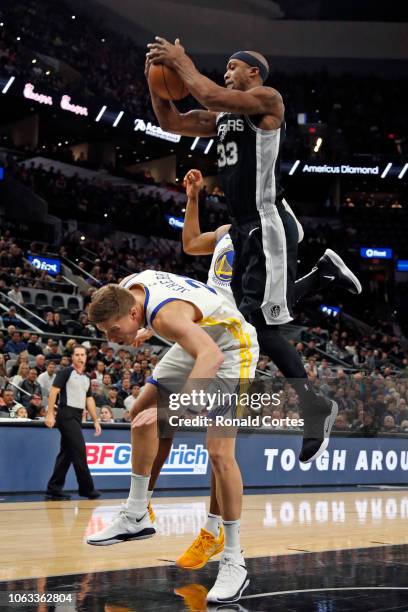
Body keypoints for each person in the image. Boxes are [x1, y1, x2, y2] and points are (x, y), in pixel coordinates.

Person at [145, 40, 362, 463]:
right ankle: (321, 275)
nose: (226, 72)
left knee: (261, 328)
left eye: (232, 67)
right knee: (249, 323)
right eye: (223, 67)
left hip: (268, 223)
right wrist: (155, 77)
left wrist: (182, 63)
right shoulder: (223, 117)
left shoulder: (267, 100)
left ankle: (315, 406)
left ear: (254, 74)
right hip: (245, 230)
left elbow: (208, 93)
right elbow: (172, 120)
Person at [86, 271, 259, 605]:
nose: (112, 339)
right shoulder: (124, 289)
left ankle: (234, 558)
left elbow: (211, 356)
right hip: (198, 336)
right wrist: (142, 331)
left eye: (115, 331)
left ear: (133, 314)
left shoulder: (165, 317)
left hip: (230, 347)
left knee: (219, 451)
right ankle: (136, 514)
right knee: (139, 414)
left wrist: (176, 412)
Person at [44, 345, 101, 501]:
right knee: (80, 451)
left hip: (77, 416)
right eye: (77, 354)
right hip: (65, 414)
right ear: (72, 357)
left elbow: (89, 399)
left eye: (83, 355)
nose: (80, 357)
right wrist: (50, 414)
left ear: (86, 357)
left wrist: (96, 420)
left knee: (67, 454)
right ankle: (87, 489)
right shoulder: (65, 372)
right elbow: (54, 392)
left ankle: (53, 489)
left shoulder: (87, 378)